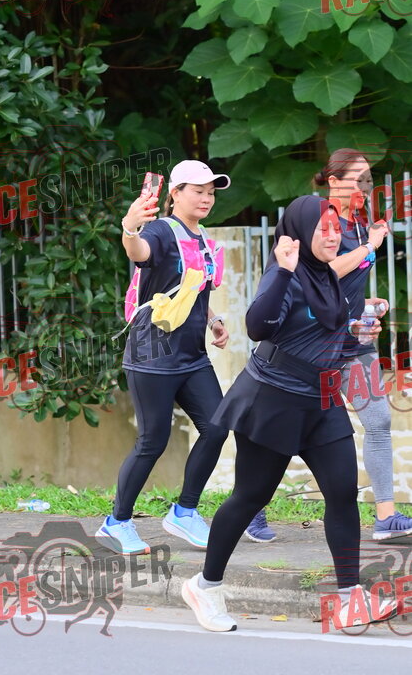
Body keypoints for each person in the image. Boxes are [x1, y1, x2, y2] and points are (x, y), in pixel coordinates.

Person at [181, 195, 398, 632]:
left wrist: (360, 333)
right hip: (273, 400)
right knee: (250, 497)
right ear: (298, 233)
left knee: (342, 493)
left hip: (322, 401)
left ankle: (349, 599)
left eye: (336, 228)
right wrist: (282, 270)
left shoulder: (328, 276)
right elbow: (258, 326)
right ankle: (205, 586)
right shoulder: (287, 272)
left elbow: (328, 336)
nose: (334, 236)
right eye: (323, 229)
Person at [95, 160, 231, 555]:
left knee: (217, 426)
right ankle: (116, 523)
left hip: (192, 356)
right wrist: (130, 227)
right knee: (152, 441)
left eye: (211, 192)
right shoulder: (160, 230)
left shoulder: (203, 239)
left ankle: (184, 513)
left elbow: (191, 291)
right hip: (151, 356)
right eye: (198, 191)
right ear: (175, 193)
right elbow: (139, 252)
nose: (206, 198)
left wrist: (213, 320)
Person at [314, 148, 412, 541]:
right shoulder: (321, 221)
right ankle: (251, 507)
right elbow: (321, 276)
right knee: (292, 427)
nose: (365, 187)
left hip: (356, 341)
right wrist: (370, 247)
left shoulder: (359, 223)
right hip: (313, 343)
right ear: (333, 182)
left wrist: (367, 305)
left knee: (378, 421)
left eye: (368, 180)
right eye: (358, 179)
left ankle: (386, 516)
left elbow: (345, 284)